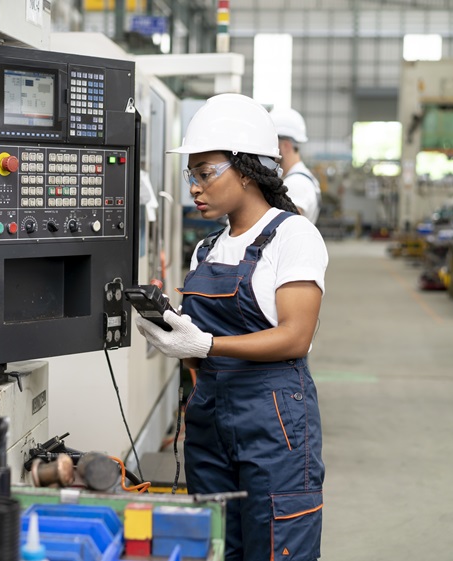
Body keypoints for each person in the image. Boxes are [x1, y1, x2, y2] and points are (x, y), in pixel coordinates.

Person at [135, 93, 328, 561]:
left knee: (275, 546)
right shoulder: (207, 249)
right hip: (209, 420)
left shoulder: (292, 235)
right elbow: (201, 342)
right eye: (191, 176)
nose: (195, 188)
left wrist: (205, 343)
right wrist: (174, 334)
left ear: (245, 169)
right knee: (216, 544)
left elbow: (295, 336)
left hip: (274, 422)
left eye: (206, 173)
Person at [270, 106, 321, 223]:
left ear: (286, 146)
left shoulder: (296, 183)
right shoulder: (300, 177)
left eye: (272, 144)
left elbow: (287, 227)